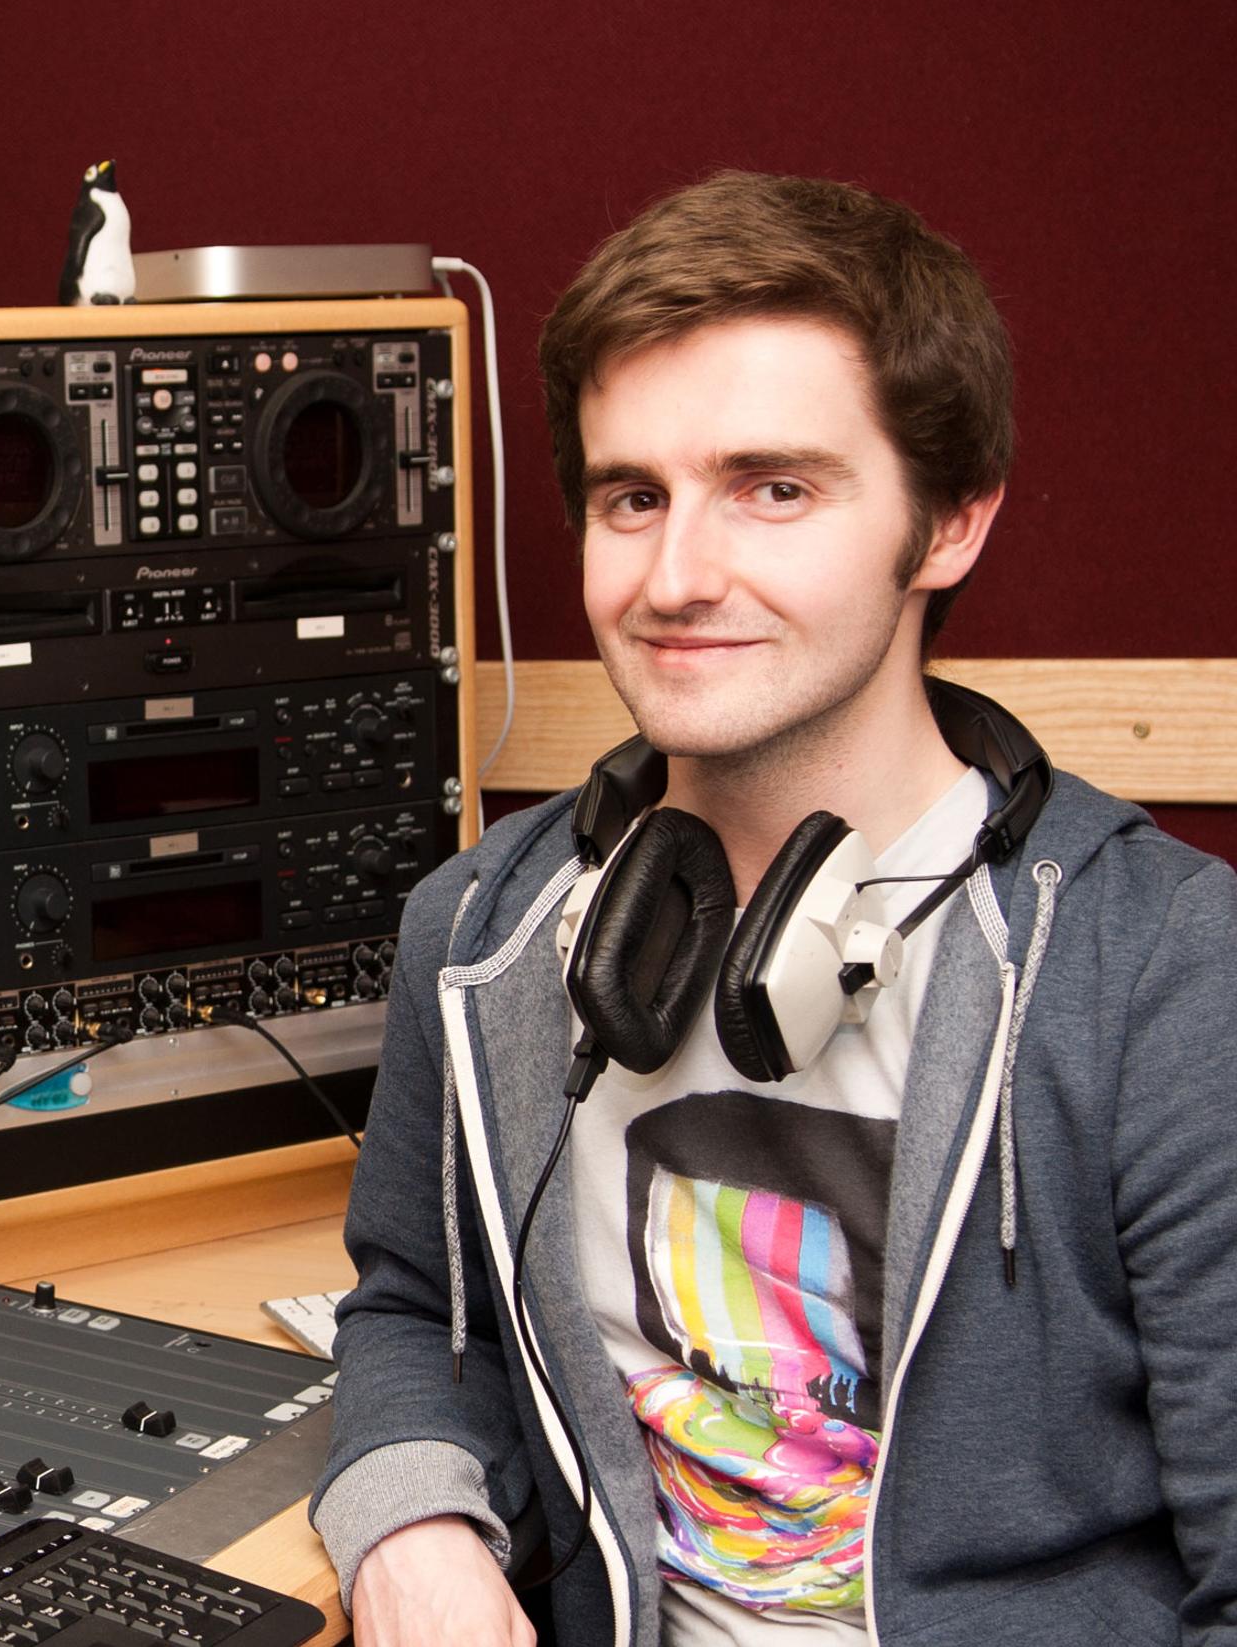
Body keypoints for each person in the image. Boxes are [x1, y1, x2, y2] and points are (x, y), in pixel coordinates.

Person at [311, 171, 1237, 1645]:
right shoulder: (485, 928)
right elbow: (417, 1314)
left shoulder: (1167, 974)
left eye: (775, 487)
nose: (678, 576)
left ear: (948, 526)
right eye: (633, 499)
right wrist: (409, 1521)